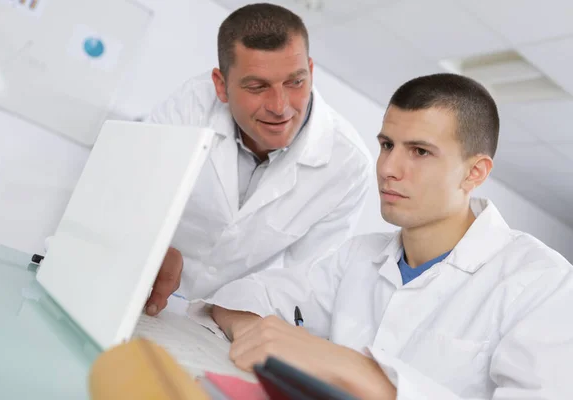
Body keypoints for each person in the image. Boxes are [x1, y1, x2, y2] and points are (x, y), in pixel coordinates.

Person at [205, 73, 573, 399]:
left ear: (474, 173)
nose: (388, 169)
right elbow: (238, 297)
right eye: (387, 145)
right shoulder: (357, 256)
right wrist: (259, 331)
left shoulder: (545, 282)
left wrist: (364, 376)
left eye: (420, 151)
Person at [143, 3, 372, 314]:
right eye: (257, 86)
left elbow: (307, 282)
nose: (280, 106)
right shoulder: (191, 106)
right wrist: (146, 245)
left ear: (311, 71)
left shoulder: (347, 163)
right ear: (221, 86)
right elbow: (126, 189)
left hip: (222, 320)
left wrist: (241, 313)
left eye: (295, 82)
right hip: (142, 285)